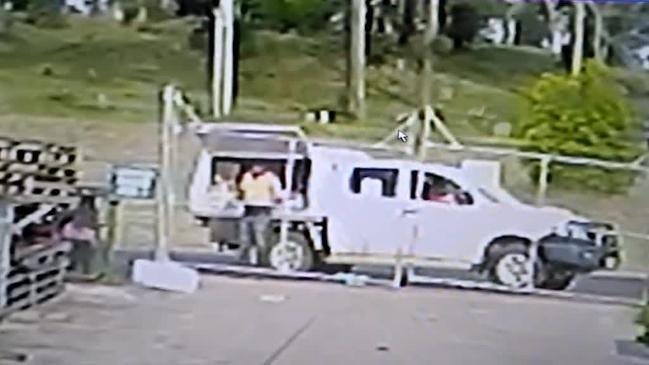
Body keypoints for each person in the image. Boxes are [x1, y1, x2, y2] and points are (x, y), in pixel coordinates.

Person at [236, 164, 282, 265]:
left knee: (260, 236)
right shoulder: (247, 176)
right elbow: (241, 190)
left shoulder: (271, 178)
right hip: (248, 208)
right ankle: (244, 260)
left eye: (258, 166)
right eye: (253, 166)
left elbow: (278, 194)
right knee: (245, 236)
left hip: (263, 209)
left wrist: (277, 200)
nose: (255, 168)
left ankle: (262, 260)